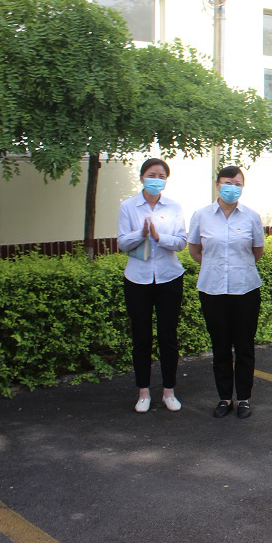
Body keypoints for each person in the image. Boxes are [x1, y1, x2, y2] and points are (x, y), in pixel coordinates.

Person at [188, 166, 265, 420]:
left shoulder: (251, 216)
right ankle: (224, 398)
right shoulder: (201, 215)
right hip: (212, 289)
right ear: (218, 185)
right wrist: (216, 267)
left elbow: (257, 251)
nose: (233, 187)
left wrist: (237, 268)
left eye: (238, 183)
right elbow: (195, 250)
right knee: (220, 345)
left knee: (244, 346)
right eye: (228, 182)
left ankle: (243, 398)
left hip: (246, 289)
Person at [117, 158, 187, 413]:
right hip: (138, 279)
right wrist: (142, 234)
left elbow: (181, 242)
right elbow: (122, 243)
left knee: (168, 337)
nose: (156, 180)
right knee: (141, 337)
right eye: (151, 175)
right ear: (142, 178)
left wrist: (159, 237)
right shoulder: (128, 206)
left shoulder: (174, 207)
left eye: (161, 176)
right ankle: (143, 392)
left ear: (166, 180)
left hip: (169, 277)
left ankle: (169, 391)